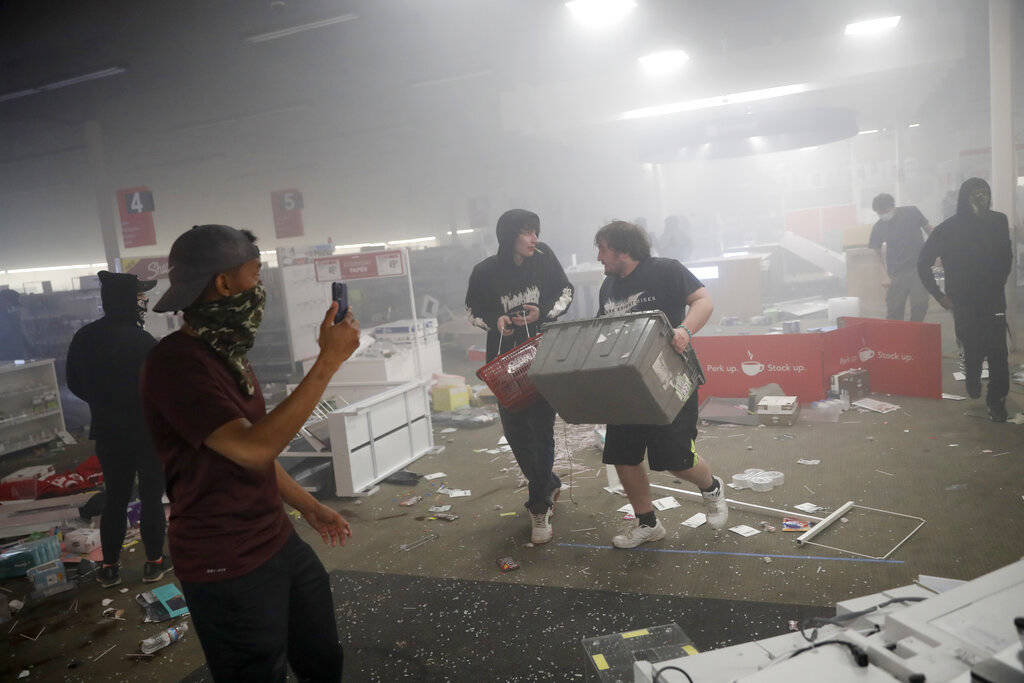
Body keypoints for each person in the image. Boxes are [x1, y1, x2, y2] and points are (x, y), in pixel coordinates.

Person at [141, 225, 360, 680]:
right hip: (224, 557)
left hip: (275, 537)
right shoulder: (176, 363)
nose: (260, 287)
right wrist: (328, 362)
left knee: (321, 655)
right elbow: (253, 449)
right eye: (255, 274)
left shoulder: (227, 353)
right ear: (224, 282)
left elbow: (253, 450)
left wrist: (310, 506)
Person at [594, 221, 727, 548]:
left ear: (622, 249)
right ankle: (648, 523)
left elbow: (704, 302)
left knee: (676, 460)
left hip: (671, 379)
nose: (599, 257)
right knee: (624, 456)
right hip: (626, 385)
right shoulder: (608, 287)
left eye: (603, 249)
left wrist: (684, 330)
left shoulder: (667, 270)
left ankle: (711, 487)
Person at [465, 209, 574, 544]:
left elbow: (565, 292)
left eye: (535, 231)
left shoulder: (545, 259)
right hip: (503, 365)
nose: (534, 239)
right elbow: (473, 310)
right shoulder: (485, 271)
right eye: (527, 232)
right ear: (509, 236)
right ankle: (549, 484)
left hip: (542, 357)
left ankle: (538, 505)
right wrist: (496, 320)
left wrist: (544, 312)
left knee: (541, 430)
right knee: (516, 432)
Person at [66, 271, 169, 586]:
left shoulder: (84, 338)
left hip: (108, 432)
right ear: (127, 299)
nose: (143, 300)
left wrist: (102, 403)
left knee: (115, 498)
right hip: (147, 433)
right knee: (152, 498)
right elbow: (160, 388)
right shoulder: (143, 342)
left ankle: (109, 567)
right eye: (139, 295)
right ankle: (154, 562)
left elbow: (74, 384)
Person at [918, 178, 1013, 422]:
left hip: (993, 300)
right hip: (963, 303)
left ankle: (996, 401)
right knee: (972, 350)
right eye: (975, 193)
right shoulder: (947, 229)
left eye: (984, 192)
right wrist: (940, 297)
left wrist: (998, 281)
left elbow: (1006, 256)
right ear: (964, 197)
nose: (981, 198)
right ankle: (972, 378)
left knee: (998, 354)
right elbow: (923, 263)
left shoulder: (998, 221)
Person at [868, 193, 932, 322]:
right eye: (879, 212)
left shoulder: (912, 212)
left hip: (919, 268)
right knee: (894, 309)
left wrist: (936, 252)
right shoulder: (879, 227)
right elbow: (877, 253)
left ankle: (915, 331)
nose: (882, 214)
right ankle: (897, 336)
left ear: (892, 206)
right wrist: (884, 275)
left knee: (920, 304)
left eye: (884, 211)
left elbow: (929, 230)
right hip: (896, 273)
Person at [0, 289, 33, 361]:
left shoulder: (10, 318)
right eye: (12, 305)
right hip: (9, 358)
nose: (12, 308)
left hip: (13, 358)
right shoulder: (8, 319)